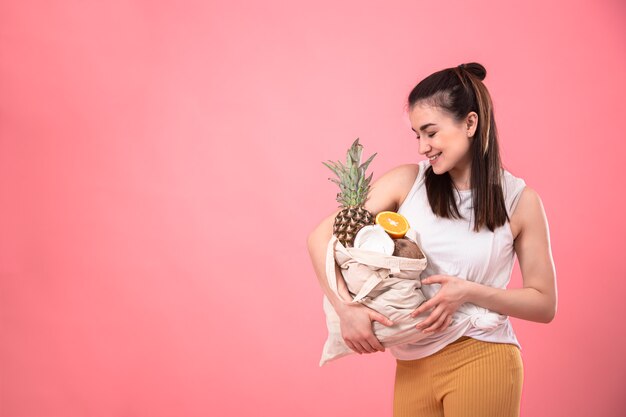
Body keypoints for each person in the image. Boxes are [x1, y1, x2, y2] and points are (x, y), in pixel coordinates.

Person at [306, 62, 557, 417]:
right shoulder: (407, 183)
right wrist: (347, 309)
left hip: (481, 356)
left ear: (470, 123)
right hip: (412, 365)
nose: (423, 147)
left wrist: (467, 291)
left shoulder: (520, 201)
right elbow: (320, 237)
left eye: (431, 132)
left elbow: (544, 303)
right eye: (416, 135)